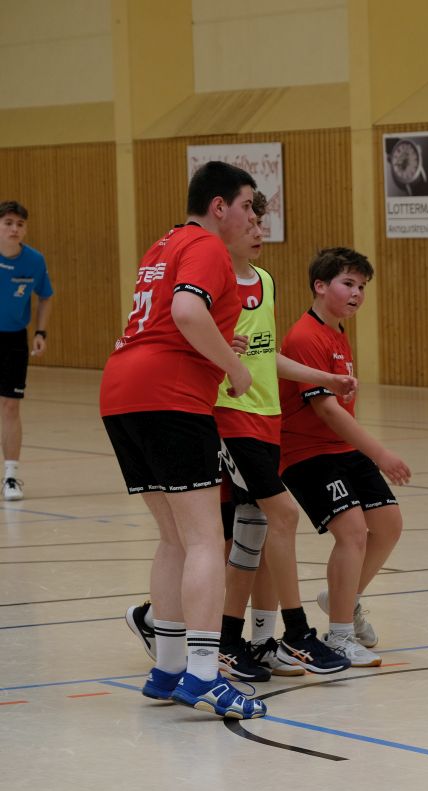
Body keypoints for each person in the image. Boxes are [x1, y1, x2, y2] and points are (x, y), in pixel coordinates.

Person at [125, 191, 353, 680]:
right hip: (228, 415)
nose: (256, 229)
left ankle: (243, 636)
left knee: (250, 533)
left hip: (266, 417)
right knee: (269, 520)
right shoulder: (211, 279)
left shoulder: (265, 281)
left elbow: (265, 356)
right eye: (249, 219)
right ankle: (284, 633)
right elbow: (191, 336)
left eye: (260, 221)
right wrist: (223, 353)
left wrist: (323, 378)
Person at [101, 161, 265, 719]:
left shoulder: (163, 244)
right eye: (247, 205)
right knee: (203, 540)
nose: (252, 216)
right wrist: (235, 370)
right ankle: (203, 675)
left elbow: (170, 322)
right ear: (219, 206)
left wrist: (218, 350)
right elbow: (187, 310)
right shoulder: (207, 245)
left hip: (121, 393)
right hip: (168, 397)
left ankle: (168, 668)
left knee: (173, 538)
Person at [279, 247, 412, 667]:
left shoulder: (337, 332)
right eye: (348, 284)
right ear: (320, 286)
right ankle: (339, 636)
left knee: (388, 524)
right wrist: (381, 453)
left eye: (362, 287)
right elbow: (326, 410)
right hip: (306, 452)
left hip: (341, 449)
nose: (357, 294)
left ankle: (344, 598)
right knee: (352, 531)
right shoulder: (305, 337)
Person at [0, 201, 54, 501]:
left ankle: (10, 476)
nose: (14, 229)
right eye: (8, 223)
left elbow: (45, 296)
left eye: (19, 224)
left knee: (10, 406)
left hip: (13, 340)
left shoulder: (34, 260)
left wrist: (40, 332)